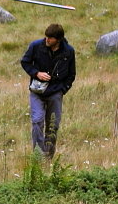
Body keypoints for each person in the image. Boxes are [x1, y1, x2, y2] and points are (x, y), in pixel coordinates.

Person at [20, 23, 77, 159]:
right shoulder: (36, 46)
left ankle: (48, 158)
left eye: (50, 38)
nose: (47, 40)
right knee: (37, 121)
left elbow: (71, 74)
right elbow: (25, 62)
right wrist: (36, 73)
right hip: (37, 92)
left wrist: (63, 90)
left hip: (56, 93)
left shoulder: (68, 51)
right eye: (46, 37)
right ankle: (38, 157)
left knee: (52, 126)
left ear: (58, 39)